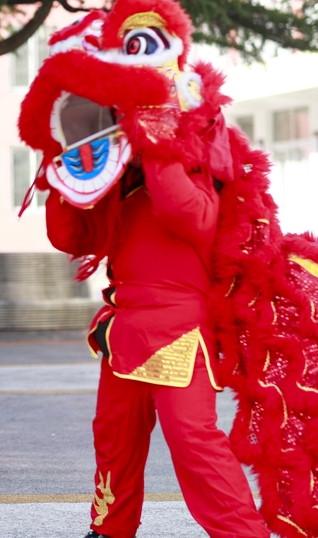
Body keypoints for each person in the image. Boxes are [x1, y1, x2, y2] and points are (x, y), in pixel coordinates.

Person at [47, 161, 269, 538]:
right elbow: (72, 238)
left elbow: (182, 212)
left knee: (193, 440)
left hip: (182, 329)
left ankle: (244, 534)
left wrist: (158, 150)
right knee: (115, 435)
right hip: (124, 327)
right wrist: (62, 175)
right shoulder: (121, 181)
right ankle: (110, 528)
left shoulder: (204, 176)